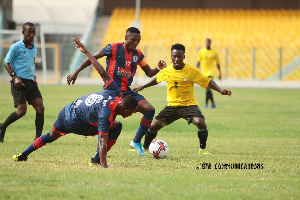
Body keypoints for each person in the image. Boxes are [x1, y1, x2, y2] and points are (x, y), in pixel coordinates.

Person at [13, 37, 139, 168]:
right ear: (126, 110)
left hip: (67, 110)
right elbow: (102, 141)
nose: (131, 115)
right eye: (132, 113)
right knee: (115, 126)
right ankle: (97, 161)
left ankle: (23, 154)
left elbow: (102, 71)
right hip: (75, 122)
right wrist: (105, 167)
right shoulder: (105, 114)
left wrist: (87, 52)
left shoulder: (115, 91)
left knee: (51, 135)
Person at [67, 27, 166, 158]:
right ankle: (98, 156)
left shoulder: (138, 54)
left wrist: (158, 67)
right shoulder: (113, 48)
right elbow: (93, 58)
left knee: (149, 110)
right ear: (126, 38)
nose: (136, 43)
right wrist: (76, 71)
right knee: (108, 124)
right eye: (133, 40)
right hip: (112, 92)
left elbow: (149, 73)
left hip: (127, 92)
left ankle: (136, 142)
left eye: (138, 41)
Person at [133, 43, 232, 154]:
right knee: (154, 125)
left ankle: (202, 150)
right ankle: (145, 148)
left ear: (184, 57)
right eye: (174, 56)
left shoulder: (191, 70)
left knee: (200, 122)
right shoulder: (167, 70)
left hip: (189, 105)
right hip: (172, 106)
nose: (176, 59)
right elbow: (156, 80)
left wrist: (220, 90)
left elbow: (208, 81)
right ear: (171, 56)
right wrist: (143, 86)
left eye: (179, 56)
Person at [0, 22, 44, 143]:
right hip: (18, 83)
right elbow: (6, 62)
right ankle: (2, 127)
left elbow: (30, 64)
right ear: (23, 32)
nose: (31, 34)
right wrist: (15, 77)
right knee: (21, 111)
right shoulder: (16, 47)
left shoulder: (34, 48)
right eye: (29, 32)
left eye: (33, 32)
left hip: (31, 82)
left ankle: (38, 139)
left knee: (40, 107)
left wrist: (33, 76)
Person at [196, 38, 222, 109]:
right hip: (203, 72)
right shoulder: (201, 52)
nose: (208, 43)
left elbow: (218, 63)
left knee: (207, 87)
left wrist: (220, 73)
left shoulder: (214, 52)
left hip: (211, 72)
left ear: (210, 43)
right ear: (205, 43)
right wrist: (195, 71)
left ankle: (206, 104)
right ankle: (213, 104)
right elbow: (198, 62)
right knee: (208, 88)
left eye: (209, 42)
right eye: (207, 42)